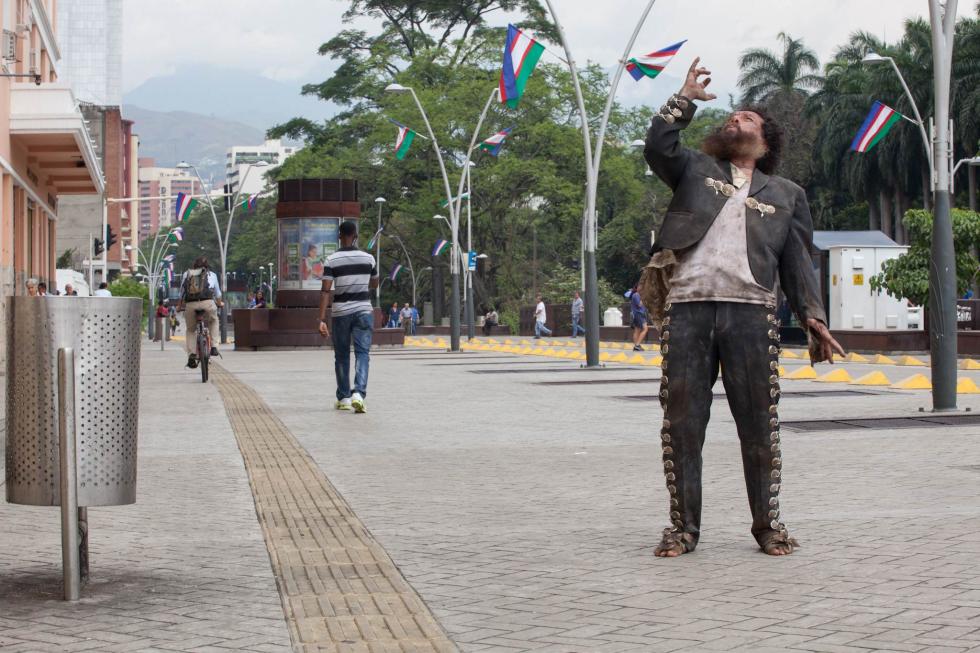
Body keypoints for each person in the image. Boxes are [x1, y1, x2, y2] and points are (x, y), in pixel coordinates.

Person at [641, 58, 844, 558]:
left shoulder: (787, 195)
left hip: (752, 313)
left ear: (765, 142)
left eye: (747, 120)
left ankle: (767, 526)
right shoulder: (695, 168)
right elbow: (657, 146)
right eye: (732, 118)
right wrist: (684, 97)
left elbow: (798, 262)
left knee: (758, 425)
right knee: (684, 425)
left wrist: (813, 318)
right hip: (688, 308)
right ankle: (683, 529)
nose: (736, 121)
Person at [318, 221, 379, 413]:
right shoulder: (369, 259)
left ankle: (344, 397)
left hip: (341, 313)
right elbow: (375, 284)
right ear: (356, 236)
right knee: (363, 354)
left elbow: (325, 291)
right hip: (363, 311)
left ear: (339, 236)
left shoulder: (331, 260)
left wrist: (321, 320)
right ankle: (359, 394)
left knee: (342, 356)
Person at [178, 256, 223, 369]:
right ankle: (214, 346)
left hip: (191, 305)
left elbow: (182, 293)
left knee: (191, 330)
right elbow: (217, 294)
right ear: (207, 266)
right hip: (208, 303)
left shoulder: (186, 274)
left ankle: (192, 354)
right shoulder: (211, 275)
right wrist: (220, 303)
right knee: (214, 321)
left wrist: (179, 306)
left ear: (194, 265)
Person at [629, 285, 649, 351]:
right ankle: (637, 345)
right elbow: (639, 304)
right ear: (637, 288)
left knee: (637, 330)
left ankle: (636, 346)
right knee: (645, 329)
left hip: (640, 314)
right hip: (639, 314)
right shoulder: (636, 295)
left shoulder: (637, 295)